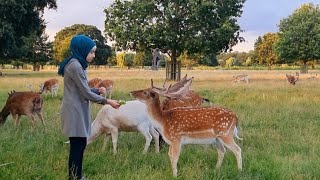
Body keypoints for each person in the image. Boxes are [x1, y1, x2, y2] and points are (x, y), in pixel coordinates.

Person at [58, 34, 120, 180]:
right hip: (75, 112)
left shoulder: (77, 64)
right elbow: (85, 93)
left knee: (80, 145)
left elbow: (82, 90)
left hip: (78, 110)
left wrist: (97, 90)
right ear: (82, 49)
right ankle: (75, 177)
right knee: (77, 146)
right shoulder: (75, 66)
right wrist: (107, 101)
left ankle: (76, 175)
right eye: (91, 52)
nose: (93, 55)